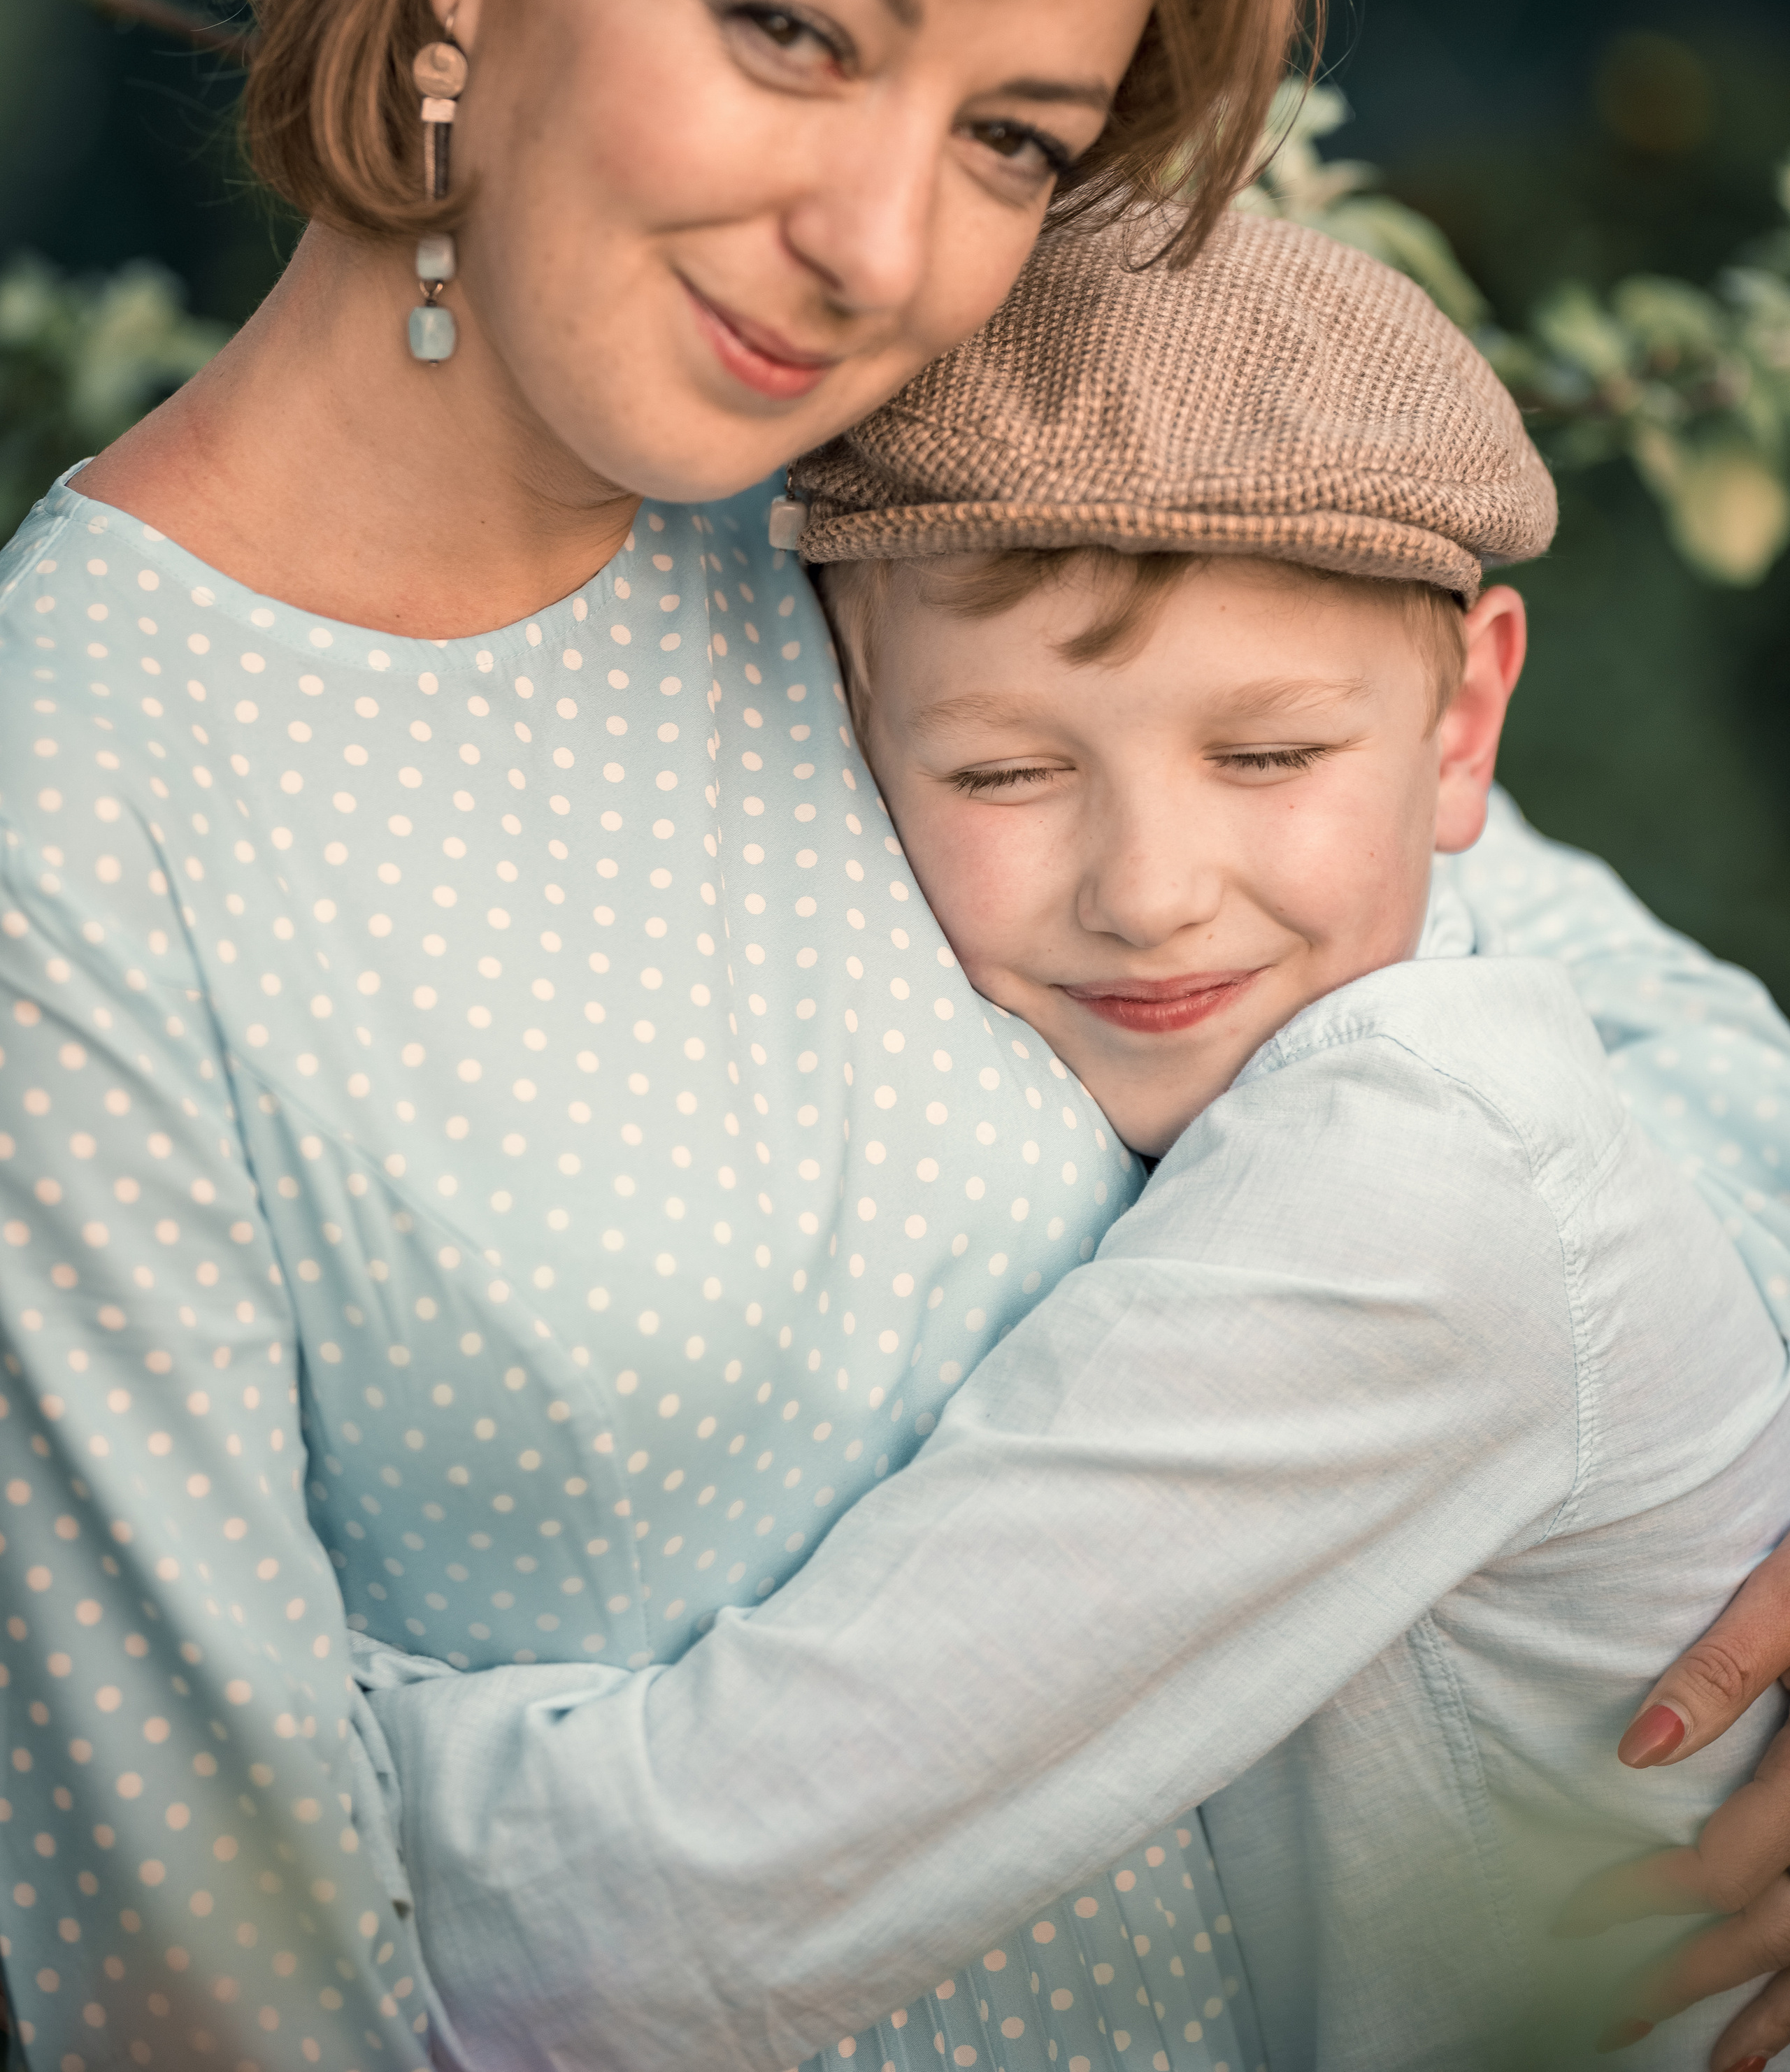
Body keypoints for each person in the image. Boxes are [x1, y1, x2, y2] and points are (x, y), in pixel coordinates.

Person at [1, 0, 1789, 2072]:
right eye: (788, 30)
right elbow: (210, 1976)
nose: (880, 246)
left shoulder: (896, 487)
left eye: (1010, 139)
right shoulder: (76, 820)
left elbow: (1562, 989)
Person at [357, 206, 1790, 2072]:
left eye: (1264, 761)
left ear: (1469, 729)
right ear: (842, 715)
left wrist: (136, 1670)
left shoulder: (1416, 1175)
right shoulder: (1377, 951)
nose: (1151, 891)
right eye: (1008, 772)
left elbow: (648, 1919)